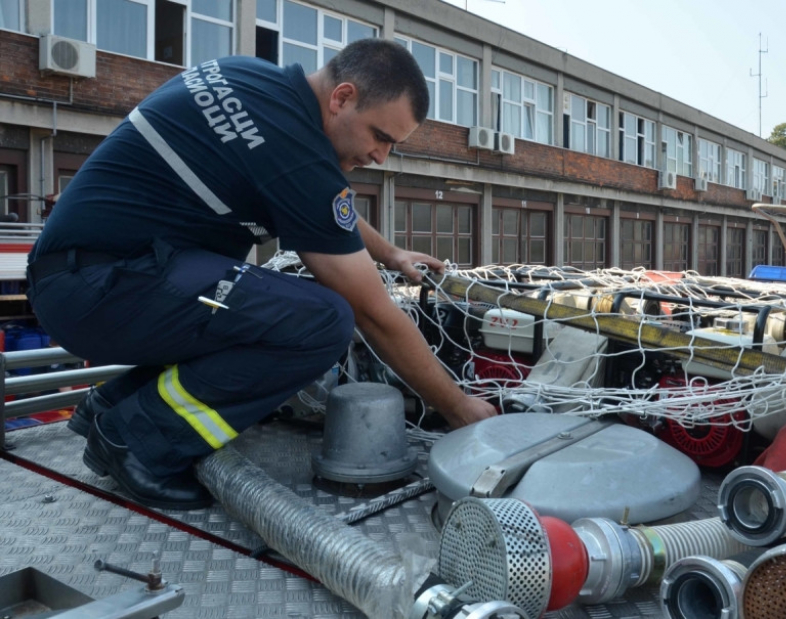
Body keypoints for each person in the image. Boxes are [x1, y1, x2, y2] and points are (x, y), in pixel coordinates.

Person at [26, 39, 497, 510]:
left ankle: (110, 406)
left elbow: (327, 207)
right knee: (323, 321)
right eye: (381, 136)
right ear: (343, 97)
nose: (381, 156)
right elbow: (371, 313)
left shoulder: (253, 80)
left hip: (85, 275)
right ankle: (140, 439)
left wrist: (390, 253)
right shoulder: (294, 150)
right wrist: (460, 408)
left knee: (264, 304)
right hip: (100, 288)